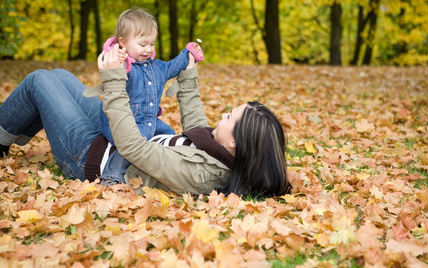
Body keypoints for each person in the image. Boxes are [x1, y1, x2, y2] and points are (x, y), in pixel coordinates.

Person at [0, 46, 291, 197]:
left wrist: (115, 80)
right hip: (113, 136)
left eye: (230, 116)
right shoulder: (222, 155)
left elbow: (133, 147)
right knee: (61, 76)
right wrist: (188, 77)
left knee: (39, 81)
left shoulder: (199, 175)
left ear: (234, 142)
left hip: (92, 156)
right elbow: (196, 128)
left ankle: (4, 137)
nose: (224, 114)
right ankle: (16, 129)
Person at [91, 7, 204, 186]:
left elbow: (173, 67)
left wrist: (188, 53)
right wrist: (118, 56)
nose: (148, 49)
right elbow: (111, 64)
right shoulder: (123, 64)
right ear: (123, 42)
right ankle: (111, 178)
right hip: (120, 124)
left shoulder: (156, 67)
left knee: (167, 134)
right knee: (133, 144)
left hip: (147, 120)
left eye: (151, 44)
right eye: (142, 44)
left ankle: (158, 168)